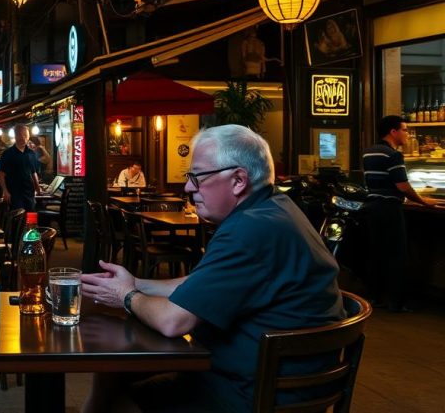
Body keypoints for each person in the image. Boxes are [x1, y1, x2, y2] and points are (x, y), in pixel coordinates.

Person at [80, 125, 344, 412]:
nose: (188, 187)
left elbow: (173, 322)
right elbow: (197, 285)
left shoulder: (249, 229)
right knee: (114, 374)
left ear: (238, 180)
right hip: (286, 382)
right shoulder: (276, 209)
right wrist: (136, 283)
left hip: (259, 395)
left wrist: (127, 296)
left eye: (198, 177)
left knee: (114, 393)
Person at [362, 115, 436, 313]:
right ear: (393, 132)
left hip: (372, 207)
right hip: (389, 209)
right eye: (404, 130)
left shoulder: (368, 152)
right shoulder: (393, 155)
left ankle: (374, 297)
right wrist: (423, 201)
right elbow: (402, 185)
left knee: (376, 253)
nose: (407, 134)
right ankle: (396, 302)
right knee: (397, 255)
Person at [0, 124, 40, 211]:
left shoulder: (31, 153)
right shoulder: (7, 154)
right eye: (20, 135)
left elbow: (33, 172)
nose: (23, 138)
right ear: (16, 136)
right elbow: (1, 174)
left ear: (28, 136)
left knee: (30, 219)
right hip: (14, 193)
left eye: (25, 135)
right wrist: (5, 191)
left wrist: (38, 188)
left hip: (29, 193)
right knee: (17, 218)